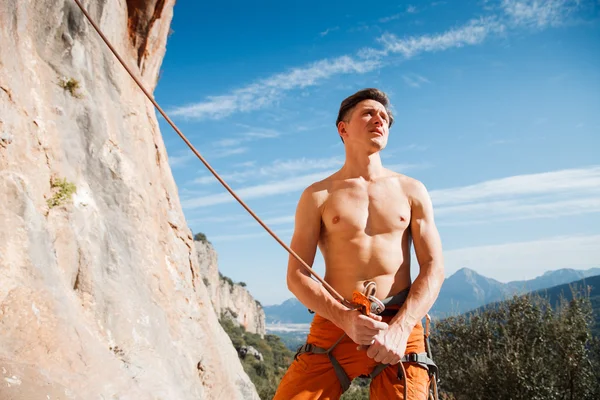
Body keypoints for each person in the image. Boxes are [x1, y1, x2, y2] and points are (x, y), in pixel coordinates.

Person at [273, 88, 445, 399]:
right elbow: (296, 276)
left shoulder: (412, 190)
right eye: (368, 113)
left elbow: (433, 267)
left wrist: (402, 328)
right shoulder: (317, 195)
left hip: (399, 326)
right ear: (343, 128)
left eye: (385, 117)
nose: (380, 119)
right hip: (335, 324)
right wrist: (346, 319)